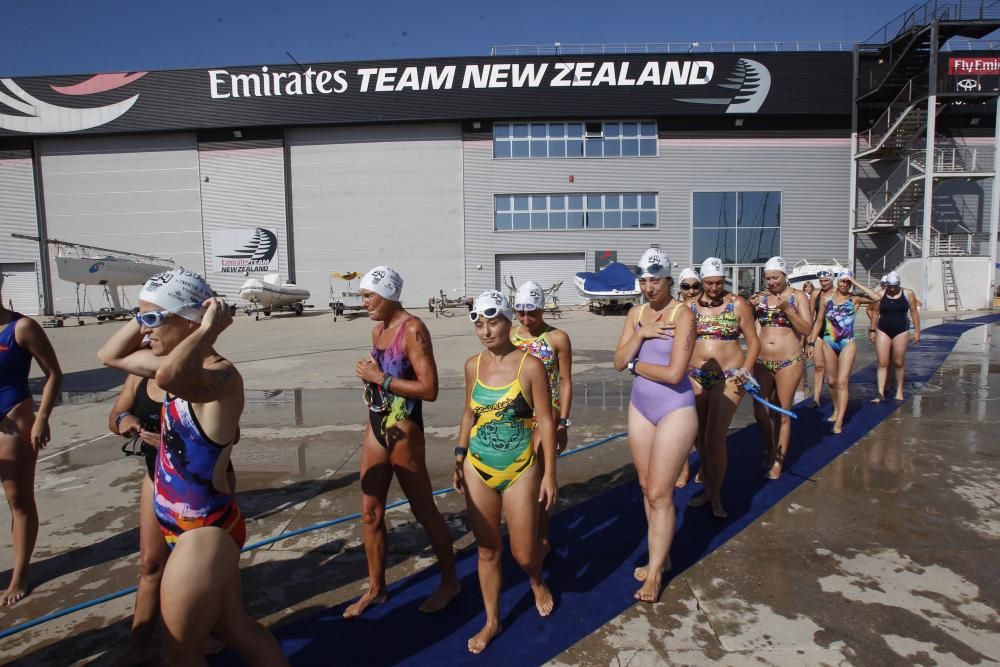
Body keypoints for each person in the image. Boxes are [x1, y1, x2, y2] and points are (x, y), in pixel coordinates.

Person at [97, 268, 286, 666]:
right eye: (141, 320)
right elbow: (109, 356)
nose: (144, 331)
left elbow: (171, 376)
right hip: (177, 522)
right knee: (235, 629)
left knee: (180, 653)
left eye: (153, 320)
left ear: (188, 321)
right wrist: (146, 311)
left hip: (204, 529)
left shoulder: (221, 375)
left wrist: (206, 331)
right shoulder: (170, 360)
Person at [349, 266, 459, 618]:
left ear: (389, 294)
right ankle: (376, 588)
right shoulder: (378, 329)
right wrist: (372, 378)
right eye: (362, 296)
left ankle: (450, 581)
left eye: (369, 296)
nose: (363, 303)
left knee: (423, 510)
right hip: (377, 424)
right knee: (370, 512)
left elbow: (430, 389)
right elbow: (385, 379)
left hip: (405, 427)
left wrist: (380, 378)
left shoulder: (413, 329)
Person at [453, 290, 557, 653]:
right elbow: (469, 414)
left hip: (520, 468)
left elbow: (546, 420)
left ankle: (535, 578)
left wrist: (549, 475)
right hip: (478, 466)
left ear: (509, 321)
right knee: (486, 549)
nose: (485, 330)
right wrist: (459, 453)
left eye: (493, 321)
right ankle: (492, 620)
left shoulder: (530, 366)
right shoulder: (473, 366)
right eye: (479, 323)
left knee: (524, 553)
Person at [109, 370, 236, 663]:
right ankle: (137, 645)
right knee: (151, 564)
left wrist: (175, 432)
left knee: (208, 569)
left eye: (156, 324)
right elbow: (115, 413)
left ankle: (214, 625)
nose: (148, 333)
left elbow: (233, 434)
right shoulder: (137, 375)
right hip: (157, 478)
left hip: (200, 486)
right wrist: (125, 421)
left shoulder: (201, 375)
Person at [613, 249, 697, 602]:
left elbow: (675, 373)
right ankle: (659, 557)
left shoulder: (683, 314)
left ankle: (655, 576)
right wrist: (642, 333)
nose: (649, 287)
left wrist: (636, 366)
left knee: (662, 493)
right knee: (648, 488)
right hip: (641, 407)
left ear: (668, 279)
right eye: (644, 281)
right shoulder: (636, 314)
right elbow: (618, 360)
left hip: (675, 408)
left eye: (655, 280)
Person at [0, 273, 62, 605]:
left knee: (18, 501)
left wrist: (42, 417)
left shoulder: (21, 328)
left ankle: (19, 574)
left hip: (13, 417)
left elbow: (54, 373)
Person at [687, 257, 759, 519]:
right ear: (701, 281)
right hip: (695, 375)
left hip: (729, 376)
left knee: (716, 437)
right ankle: (707, 488)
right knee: (700, 438)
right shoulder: (689, 306)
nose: (715, 287)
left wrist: (746, 369)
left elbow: (754, 341)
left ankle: (716, 495)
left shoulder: (737, 303)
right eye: (709, 283)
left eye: (719, 282)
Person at [511, 280, 572, 554]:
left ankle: (542, 536)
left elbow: (566, 382)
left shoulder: (557, 338)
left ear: (542, 309)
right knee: (518, 478)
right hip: (518, 414)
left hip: (548, 413)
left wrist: (564, 423)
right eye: (521, 313)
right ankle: (524, 531)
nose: (526, 319)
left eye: (532, 313)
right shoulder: (511, 337)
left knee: (539, 478)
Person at [749, 257, 813, 480]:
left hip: (789, 361)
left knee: (782, 412)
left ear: (785, 276)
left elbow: (806, 328)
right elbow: (748, 326)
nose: (771, 282)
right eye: (768, 278)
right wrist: (751, 307)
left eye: (775, 277)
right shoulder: (762, 298)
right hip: (762, 362)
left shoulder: (798, 297)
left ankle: (778, 462)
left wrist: (788, 310)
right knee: (760, 412)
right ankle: (771, 445)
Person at [809, 269, 881, 434]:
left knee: (842, 382)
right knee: (832, 382)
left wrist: (855, 282)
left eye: (848, 282)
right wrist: (812, 342)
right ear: (837, 282)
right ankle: (836, 410)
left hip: (847, 343)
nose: (845, 284)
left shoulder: (854, 299)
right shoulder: (826, 299)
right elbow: (819, 321)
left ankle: (839, 421)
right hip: (828, 342)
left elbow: (877, 297)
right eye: (843, 281)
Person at [871, 271, 921, 402]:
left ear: (899, 284)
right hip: (883, 329)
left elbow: (914, 312)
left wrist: (917, 331)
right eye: (889, 286)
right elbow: (875, 312)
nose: (892, 289)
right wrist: (872, 330)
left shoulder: (908, 293)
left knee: (898, 362)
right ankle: (880, 392)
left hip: (901, 330)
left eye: (895, 286)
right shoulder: (880, 295)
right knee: (882, 362)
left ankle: (899, 390)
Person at [673, 266, 702, 488]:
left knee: (703, 429)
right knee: (682, 430)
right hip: (683, 373)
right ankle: (683, 469)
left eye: (695, 286)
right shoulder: (675, 310)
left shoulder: (710, 309)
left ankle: (706, 465)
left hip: (707, 374)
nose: (690, 291)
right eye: (685, 286)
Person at [808, 270, 836, 408]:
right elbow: (810, 315)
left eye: (826, 280)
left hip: (835, 334)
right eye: (821, 281)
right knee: (819, 366)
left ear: (832, 280)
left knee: (834, 371)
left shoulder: (838, 293)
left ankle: (837, 397)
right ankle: (816, 398)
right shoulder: (816, 294)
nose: (823, 283)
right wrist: (809, 337)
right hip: (819, 332)